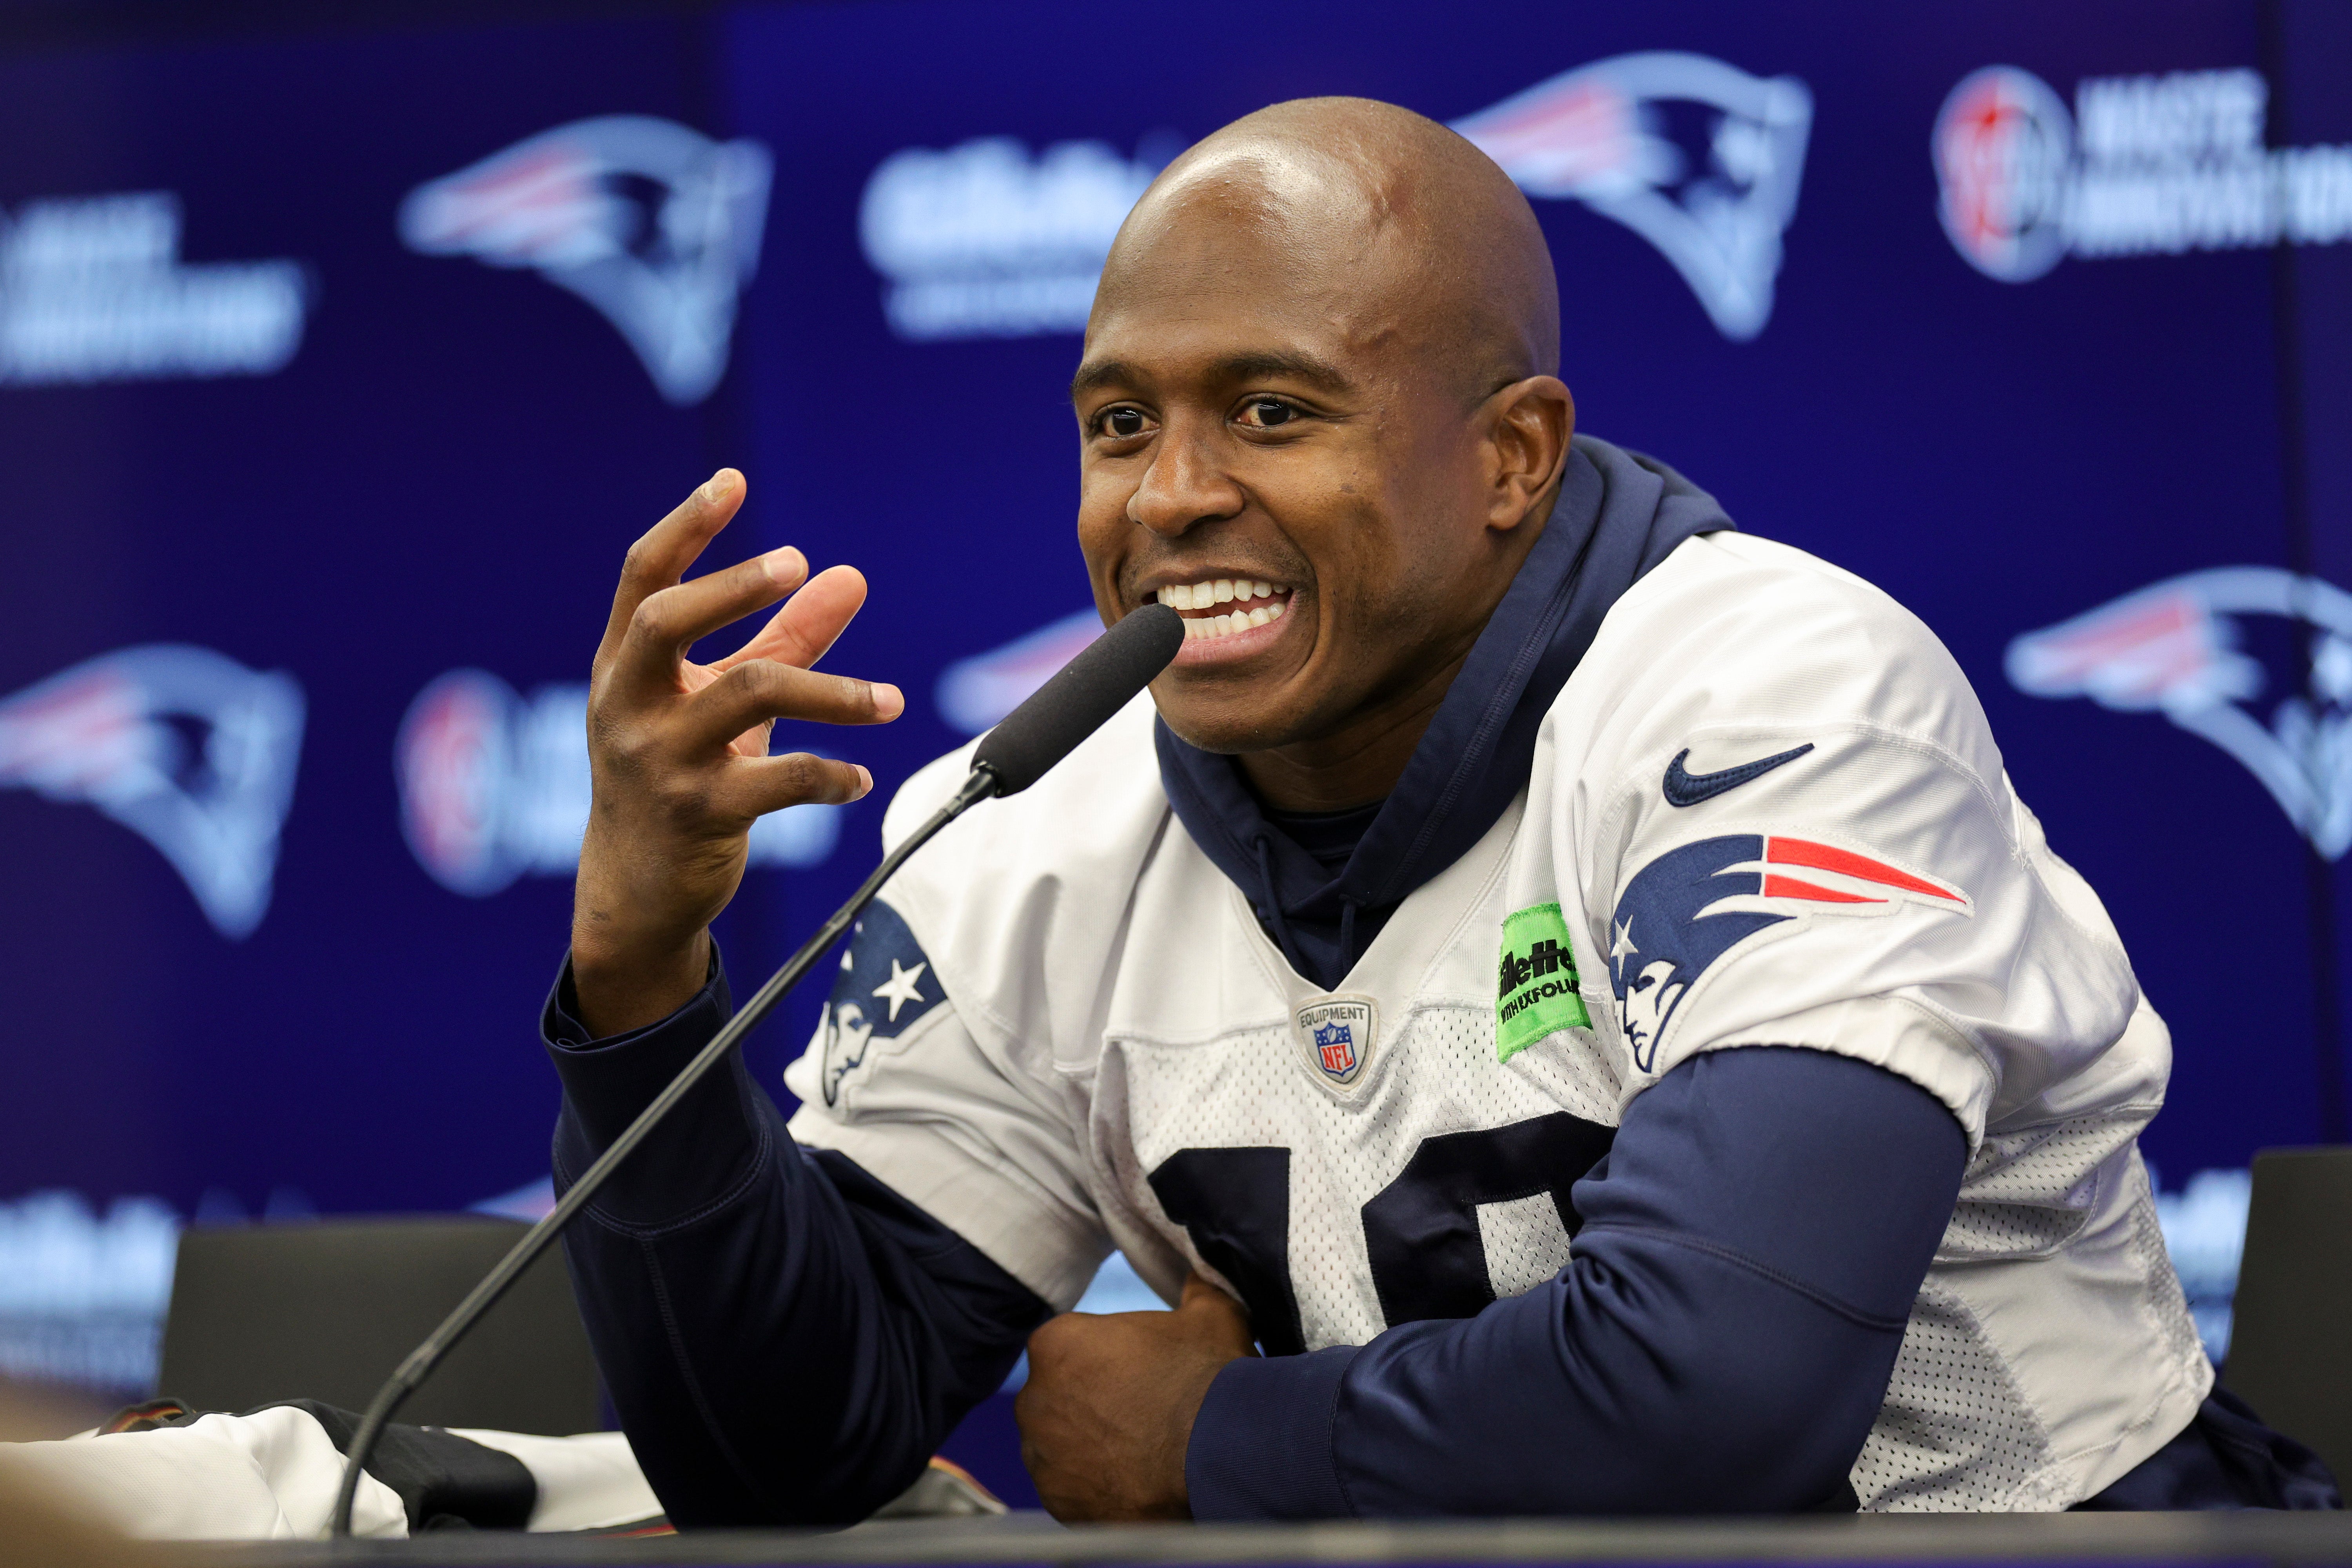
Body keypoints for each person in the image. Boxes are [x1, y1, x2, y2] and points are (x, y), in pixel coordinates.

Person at [542, 98, 2335, 1522]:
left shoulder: (1772, 697)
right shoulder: (1032, 814)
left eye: (1270, 409)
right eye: (1114, 423)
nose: (1169, 497)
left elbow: (1722, 1397)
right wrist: (638, 979)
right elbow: (775, 1458)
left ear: (1511, 460)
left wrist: (1209, 1441)